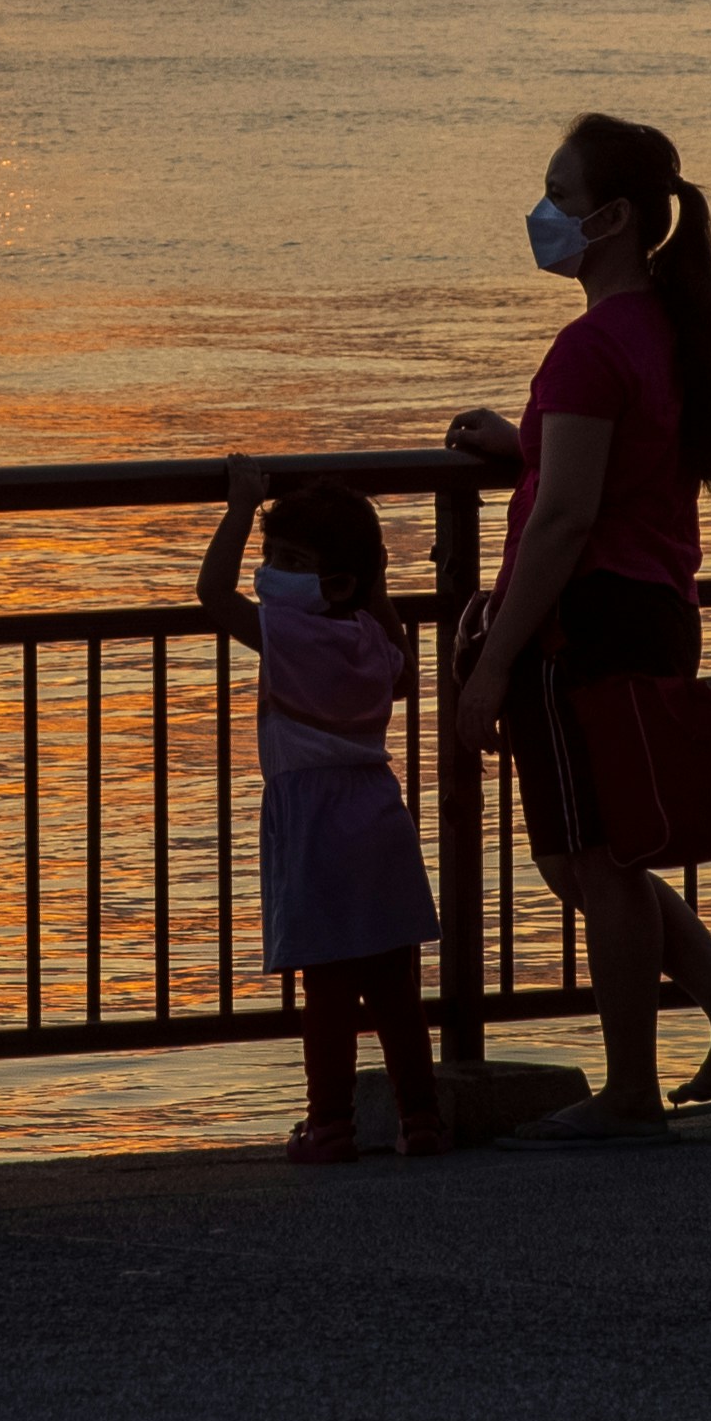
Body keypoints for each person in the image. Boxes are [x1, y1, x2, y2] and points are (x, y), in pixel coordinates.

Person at [449, 106, 711, 1138]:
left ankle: (631, 1090)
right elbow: (616, 473)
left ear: (604, 219)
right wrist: (526, 442)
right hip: (657, 608)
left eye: (556, 194)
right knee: (604, 856)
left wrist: (490, 662)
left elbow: (565, 521)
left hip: (585, 624)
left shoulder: (590, 345)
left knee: (593, 862)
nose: (541, 212)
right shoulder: (670, 334)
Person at [195, 466, 452, 1164]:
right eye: (273, 558)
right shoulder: (373, 641)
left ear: (333, 581)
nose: (274, 573)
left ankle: (330, 1124)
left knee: (329, 985)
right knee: (394, 983)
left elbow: (213, 593)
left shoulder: (285, 636)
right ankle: (421, 1118)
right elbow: (404, 675)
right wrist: (378, 591)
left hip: (310, 819)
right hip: (377, 809)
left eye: (292, 563)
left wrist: (242, 506)